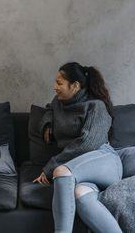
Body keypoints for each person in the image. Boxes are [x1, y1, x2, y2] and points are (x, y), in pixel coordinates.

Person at [33, 62, 123, 233]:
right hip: (80, 170)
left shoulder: (96, 107)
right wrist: (47, 124)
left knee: (61, 171)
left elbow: (87, 144)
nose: (55, 87)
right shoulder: (59, 103)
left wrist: (51, 166)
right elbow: (49, 110)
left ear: (75, 86)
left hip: (104, 161)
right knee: (80, 194)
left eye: (59, 83)